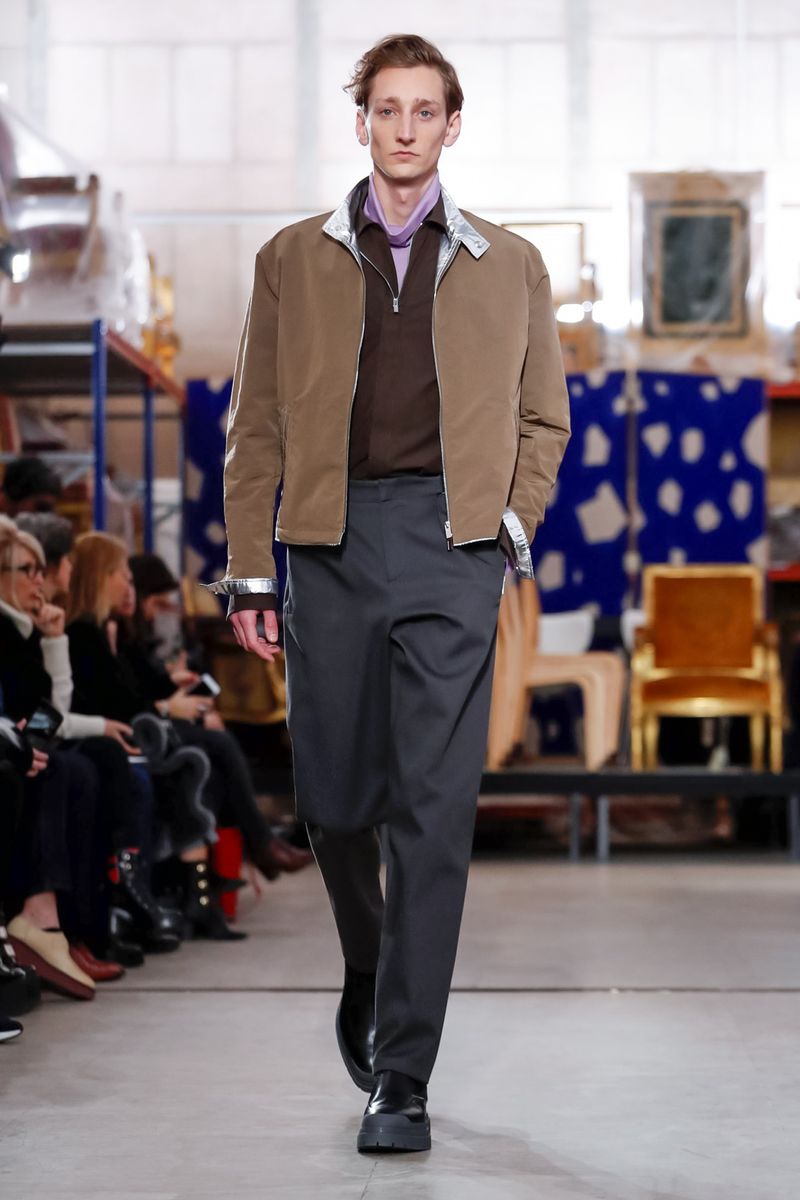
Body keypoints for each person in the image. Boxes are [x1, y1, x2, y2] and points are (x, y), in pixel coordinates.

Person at [209, 34, 570, 1152]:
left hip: (453, 548)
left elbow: (543, 418)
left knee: (433, 812)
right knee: (331, 801)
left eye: (424, 111)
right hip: (328, 543)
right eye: (386, 109)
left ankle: (401, 1077)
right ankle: (368, 962)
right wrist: (250, 564)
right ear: (361, 121)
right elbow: (255, 424)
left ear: (451, 127)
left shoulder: (510, 264)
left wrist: (506, 527)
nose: (404, 128)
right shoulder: (291, 258)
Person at [65, 533, 244, 942]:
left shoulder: (110, 632)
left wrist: (168, 692)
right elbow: (120, 703)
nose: (130, 588)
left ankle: (200, 888)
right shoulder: (86, 633)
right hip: (118, 740)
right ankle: (193, 887)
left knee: (200, 760)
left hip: (133, 737)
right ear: (102, 578)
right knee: (197, 756)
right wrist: (167, 705)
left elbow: (135, 691)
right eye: (123, 577)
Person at [121, 552, 313, 881]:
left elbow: (146, 685)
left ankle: (215, 874)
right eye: (155, 600)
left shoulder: (139, 636)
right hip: (139, 731)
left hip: (155, 723)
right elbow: (128, 700)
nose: (161, 610)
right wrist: (168, 706)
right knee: (215, 747)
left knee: (212, 758)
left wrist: (173, 682)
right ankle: (260, 846)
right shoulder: (119, 635)